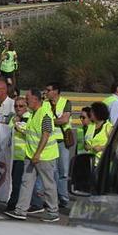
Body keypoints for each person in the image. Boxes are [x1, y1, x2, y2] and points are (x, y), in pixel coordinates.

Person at [5, 88, 60, 223]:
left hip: (44, 156)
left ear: (35, 99)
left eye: (28, 98)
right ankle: (21, 210)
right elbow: (32, 133)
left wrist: (38, 153)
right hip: (31, 155)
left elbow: (45, 135)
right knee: (26, 182)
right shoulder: (34, 113)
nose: (26, 100)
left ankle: (53, 211)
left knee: (48, 184)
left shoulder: (44, 114)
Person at [44, 82, 70, 210]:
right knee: (52, 171)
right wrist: (55, 121)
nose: (46, 92)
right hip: (51, 140)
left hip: (63, 140)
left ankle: (63, 197)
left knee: (63, 171)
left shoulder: (66, 102)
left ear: (56, 91)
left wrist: (50, 121)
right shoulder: (45, 104)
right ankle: (53, 197)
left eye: (48, 90)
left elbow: (65, 119)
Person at [8, 96, 31, 211]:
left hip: (23, 155)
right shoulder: (13, 118)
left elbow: (28, 131)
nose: (18, 108)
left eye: (21, 106)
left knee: (18, 182)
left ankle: (13, 204)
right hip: (11, 156)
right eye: (16, 106)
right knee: (13, 181)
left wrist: (17, 125)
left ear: (26, 107)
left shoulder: (29, 118)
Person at [86, 101, 114, 167]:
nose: (90, 113)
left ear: (97, 113)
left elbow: (116, 145)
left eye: (92, 112)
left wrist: (101, 148)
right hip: (90, 163)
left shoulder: (108, 127)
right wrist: (87, 146)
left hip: (103, 164)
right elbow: (87, 142)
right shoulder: (90, 126)